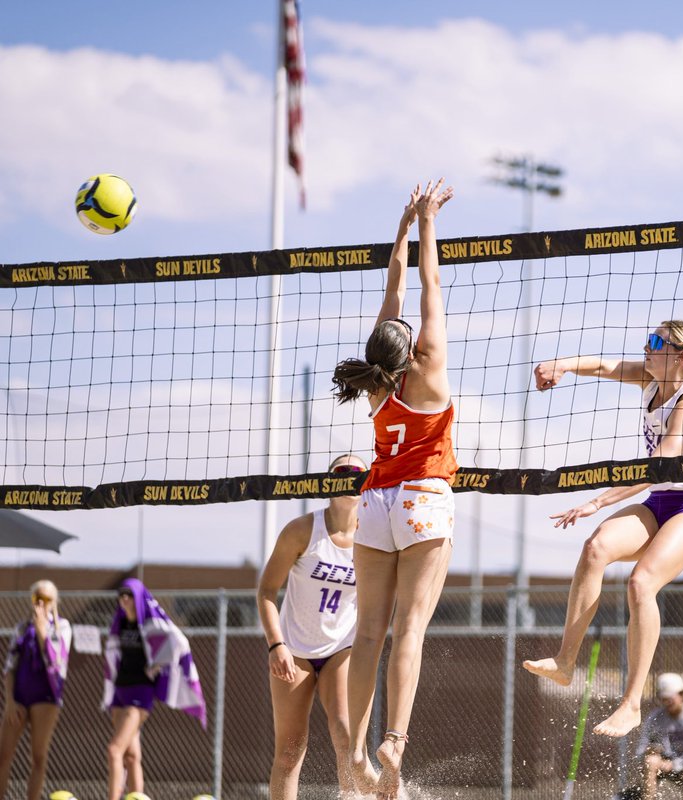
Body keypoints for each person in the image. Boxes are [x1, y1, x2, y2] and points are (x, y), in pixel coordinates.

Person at [522, 320, 683, 737]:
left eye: (656, 342)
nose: (646, 347)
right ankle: (564, 663)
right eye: (649, 340)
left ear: (680, 355)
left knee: (640, 583)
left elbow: (659, 466)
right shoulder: (650, 378)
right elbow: (603, 366)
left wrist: (598, 501)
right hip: (660, 502)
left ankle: (631, 704)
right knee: (596, 547)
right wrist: (560, 364)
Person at [333, 179, 457, 800]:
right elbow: (429, 285)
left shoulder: (377, 379)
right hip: (424, 499)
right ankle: (395, 740)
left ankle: (355, 746)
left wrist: (404, 225)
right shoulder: (428, 363)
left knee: (369, 633)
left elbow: (397, 284)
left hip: (376, 503)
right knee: (411, 628)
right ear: (411, 349)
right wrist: (429, 219)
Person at [258, 453, 369, 800]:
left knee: (346, 737)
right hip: (294, 650)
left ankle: (354, 797)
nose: (350, 477)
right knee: (290, 750)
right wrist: (276, 645)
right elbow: (265, 591)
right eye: (342, 472)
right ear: (329, 481)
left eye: (358, 473)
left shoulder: (373, 535)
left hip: (342, 647)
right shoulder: (303, 530)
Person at [103, 577, 205, 800]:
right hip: (121, 690)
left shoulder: (150, 623)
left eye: (129, 595)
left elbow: (178, 641)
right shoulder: (120, 623)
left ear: (138, 597)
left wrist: (156, 666)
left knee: (114, 750)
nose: (124, 599)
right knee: (131, 755)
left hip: (140, 693)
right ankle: (137, 796)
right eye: (121, 595)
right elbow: (113, 654)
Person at [0, 580, 72, 800]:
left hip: (45, 696)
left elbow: (56, 663)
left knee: (38, 756)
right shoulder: (22, 628)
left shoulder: (62, 627)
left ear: (55, 602)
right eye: (37, 599)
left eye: (47, 600)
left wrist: (42, 632)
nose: (41, 604)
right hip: (21, 695)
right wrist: (10, 701)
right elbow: (10, 666)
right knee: (3, 754)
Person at [635, 672, 683, 800]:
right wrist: (650, 751)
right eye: (664, 699)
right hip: (660, 764)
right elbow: (641, 748)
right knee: (650, 761)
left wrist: (674, 764)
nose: (667, 703)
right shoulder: (655, 717)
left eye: (670, 698)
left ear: (681, 695)